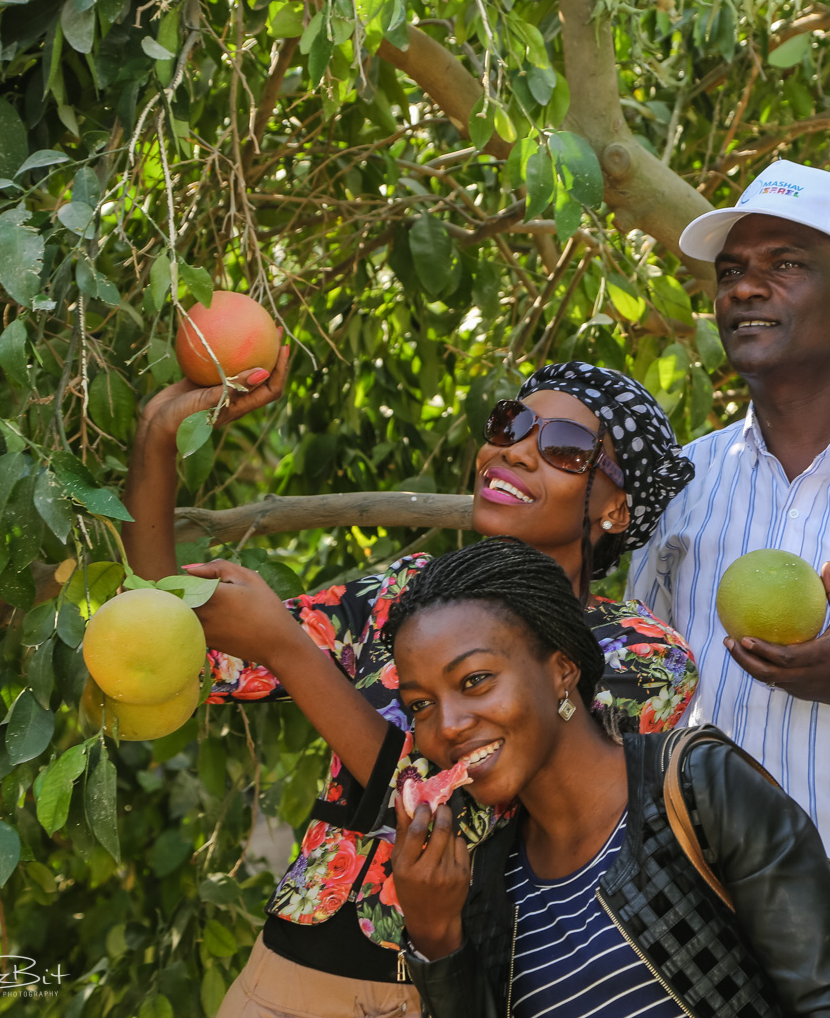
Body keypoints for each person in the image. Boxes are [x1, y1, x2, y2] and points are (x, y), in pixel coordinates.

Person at [123, 357, 697, 1015]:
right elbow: (172, 638)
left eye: (565, 449)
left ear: (618, 508)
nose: (514, 453)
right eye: (511, 424)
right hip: (287, 977)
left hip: (462, 993)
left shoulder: (639, 657)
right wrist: (157, 437)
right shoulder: (402, 593)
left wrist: (286, 649)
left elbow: (464, 803)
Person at [383, 539, 830, 1018]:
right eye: (420, 705)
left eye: (475, 680)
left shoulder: (700, 785)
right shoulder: (486, 882)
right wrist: (436, 937)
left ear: (562, 668)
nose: (446, 726)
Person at [627, 160, 830, 929]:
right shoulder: (681, 480)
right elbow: (646, 691)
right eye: (732, 271)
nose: (743, 288)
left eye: (786, 265)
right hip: (702, 917)